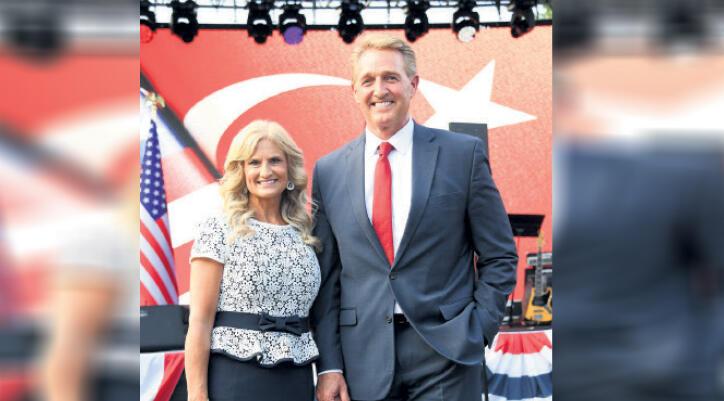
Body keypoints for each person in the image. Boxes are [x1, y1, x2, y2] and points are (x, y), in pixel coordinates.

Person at [310, 34, 518, 401]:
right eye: (368, 80)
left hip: (447, 355)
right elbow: (327, 280)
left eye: (390, 77)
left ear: (413, 84)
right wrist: (329, 365)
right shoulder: (328, 172)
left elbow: (499, 255)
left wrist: (479, 328)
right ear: (354, 91)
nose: (380, 90)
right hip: (363, 360)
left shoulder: (462, 155)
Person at [185, 120, 321, 401]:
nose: (265, 171)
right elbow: (199, 321)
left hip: (296, 378)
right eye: (254, 163)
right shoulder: (219, 228)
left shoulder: (306, 232)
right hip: (236, 376)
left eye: (275, 161)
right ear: (241, 171)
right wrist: (197, 395)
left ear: (289, 168)